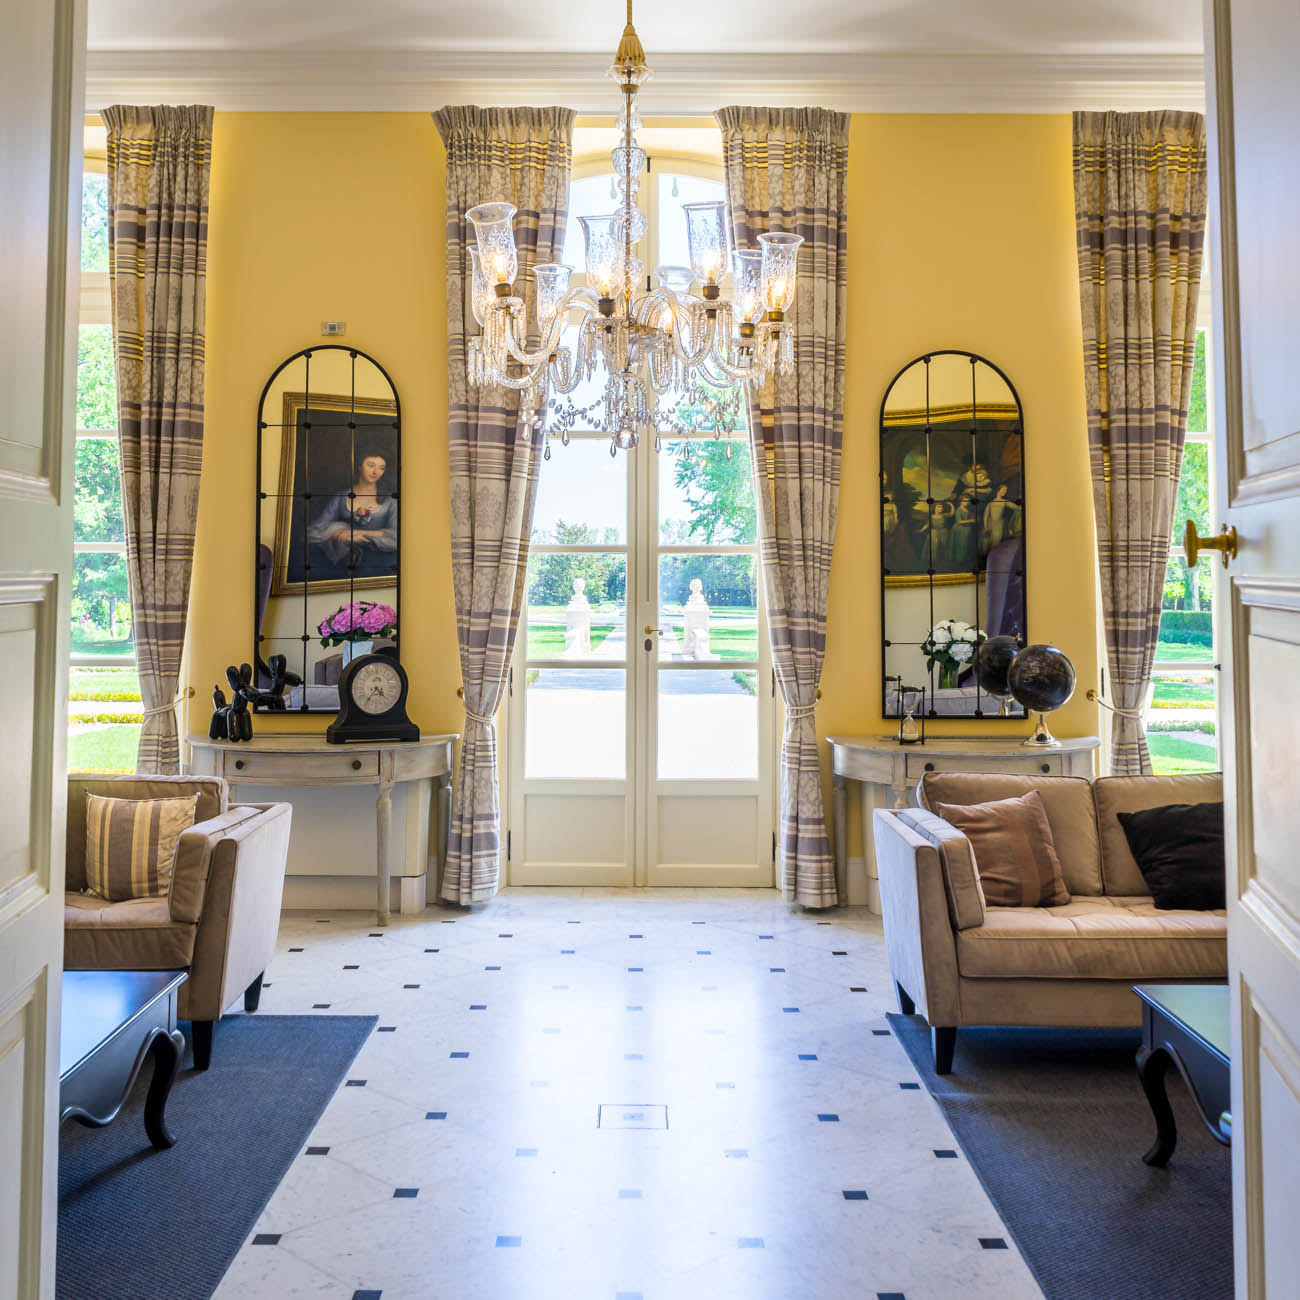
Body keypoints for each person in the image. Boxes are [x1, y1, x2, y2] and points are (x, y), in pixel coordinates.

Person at [306, 450, 397, 577]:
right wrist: (338, 533)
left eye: (381, 468)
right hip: (343, 563)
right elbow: (313, 531)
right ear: (359, 466)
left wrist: (357, 535)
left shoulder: (390, 500)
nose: (376, 472)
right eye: (371, 465)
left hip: (380, 563)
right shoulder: (342, 496)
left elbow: (397, 536)